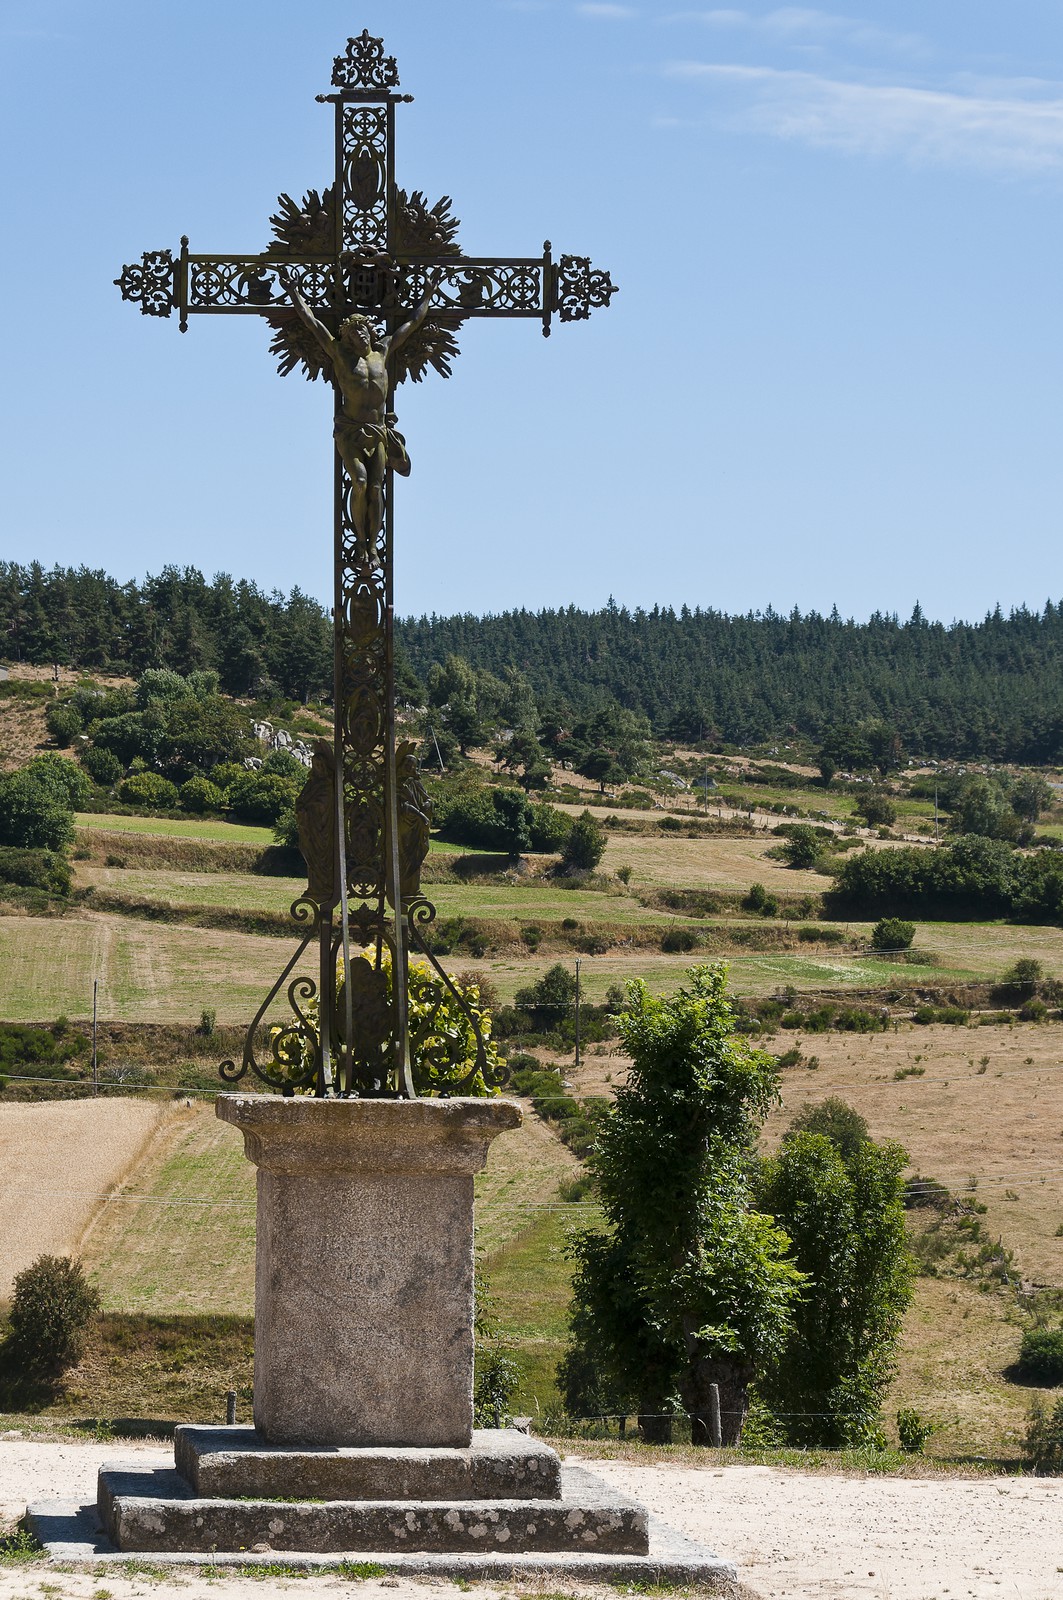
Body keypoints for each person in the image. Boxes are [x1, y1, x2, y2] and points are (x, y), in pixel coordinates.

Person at [276, 269, 437, 558]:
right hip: (350, 430)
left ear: (369, 331)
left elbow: (412, 323)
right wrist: (294, 293)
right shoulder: (340, 354)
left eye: (361, 330)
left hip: (378, 432)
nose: (359, 335)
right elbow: (312, 324)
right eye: (353, 333)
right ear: (347, 339)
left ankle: (372, 547)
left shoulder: (383, 351)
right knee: (360, 483)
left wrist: (427, 294)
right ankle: (361, 543)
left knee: (376, 489)